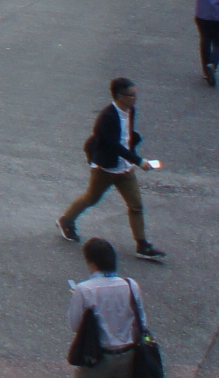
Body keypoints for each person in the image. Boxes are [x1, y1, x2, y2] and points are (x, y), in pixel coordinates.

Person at [60, 235, 149, 378]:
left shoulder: (84, 290)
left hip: (98, 357)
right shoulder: (131, 285)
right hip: (128, 353)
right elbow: (141, 321)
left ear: (91, 262)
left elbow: (74, 325)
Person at [57, 77, 163, 259]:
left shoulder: (130, 111)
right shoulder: (106, 118)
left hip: (125, 168)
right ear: (119, 96)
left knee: (136, 205)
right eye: (131, 95)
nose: (135, 99)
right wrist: (138, 161)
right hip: (106, 168)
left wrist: (132, 155)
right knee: (91, 198)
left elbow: (127, 137)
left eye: (135, 95)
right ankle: (66, 220)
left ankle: (142, 244)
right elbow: (114, 146)